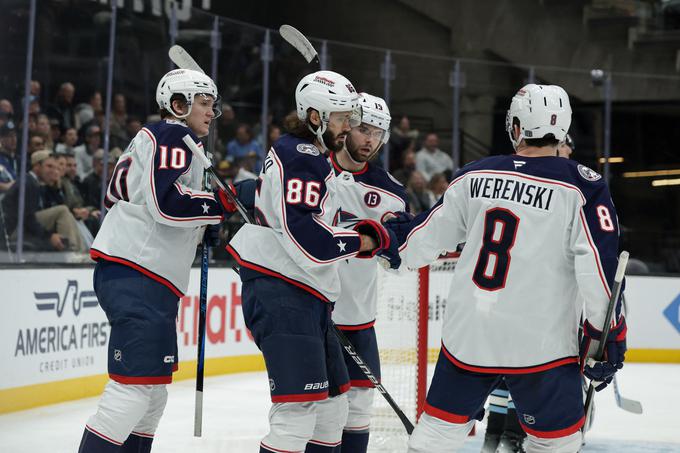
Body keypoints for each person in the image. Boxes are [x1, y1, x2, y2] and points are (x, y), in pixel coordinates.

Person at [385, 84, 627, 453]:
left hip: (470, 338)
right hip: (541, 344)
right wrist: (606, 339)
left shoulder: (473, 175)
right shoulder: (582, 185)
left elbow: (419, 242)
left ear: (515, 127)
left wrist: (377, 241)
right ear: (563, 130)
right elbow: (599, 272)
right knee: (555, 445)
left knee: (434, 437)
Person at [226, 70, 399, 453]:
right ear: (316, 117)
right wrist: (363, 239)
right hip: (284, 296)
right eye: (341, 118)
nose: (349, 126)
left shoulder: (307, 156)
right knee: (298, 415)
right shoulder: (302, 156)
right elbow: (310, 242)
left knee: (334, 410)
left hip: (308, 298)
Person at [78, 68, 237, 453]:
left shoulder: (173, 142)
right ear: (178, 105)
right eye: (202, 102)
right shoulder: (171, 135)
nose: (209, 111)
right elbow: (166, 204)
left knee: (150, 396)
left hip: (147, 275)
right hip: (138, 273)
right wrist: (215, 204)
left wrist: (203, 222)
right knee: (132, 393)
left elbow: (138, 201)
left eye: (212, 105)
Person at [329, 92, 409, 452]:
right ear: (347, 126)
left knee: (359, 408)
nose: (370, 140)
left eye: (378, 132)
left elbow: (397, 255)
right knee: (313, 410)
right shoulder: (311, 170)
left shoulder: (391, 192)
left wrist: (394, 238)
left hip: (358, 316)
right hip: (312, 312)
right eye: (363, 129)